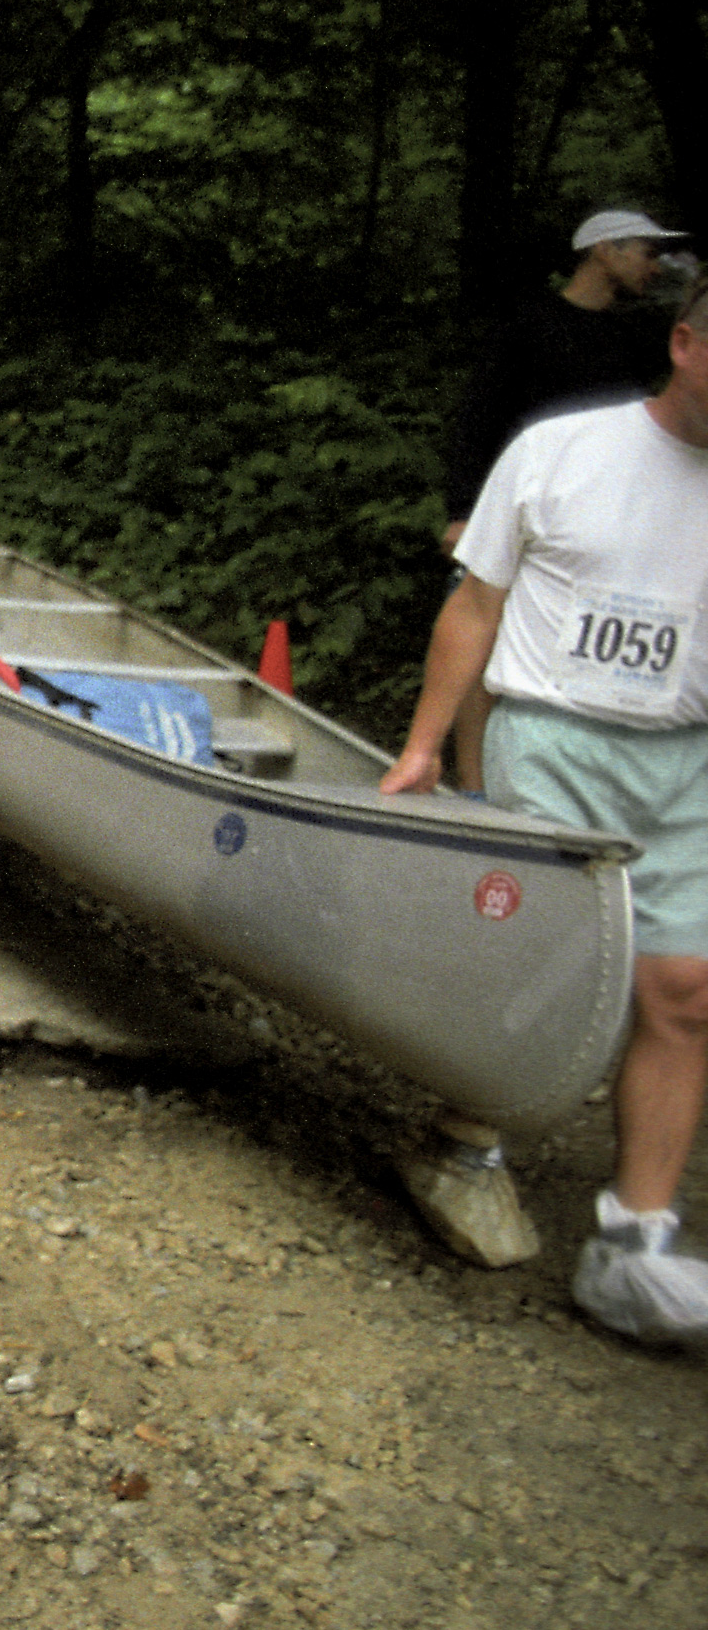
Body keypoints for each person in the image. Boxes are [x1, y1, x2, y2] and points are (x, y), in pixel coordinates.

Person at [379, 291, 708, 1343]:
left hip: (685, 755)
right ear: (686, 343)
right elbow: (476, 605)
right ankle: (464, 1140)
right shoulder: (560, 450)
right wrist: (427, 746)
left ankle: (634, 1241)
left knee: (685, 990)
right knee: (546, 962)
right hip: (554, 734)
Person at [436, 209, 684, 793]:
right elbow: (477, 416)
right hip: (514, 505)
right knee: (481, 634)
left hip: (594, 520)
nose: (655, 266)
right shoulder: (529, 321)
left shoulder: (634, 337)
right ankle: (475, 785)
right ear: (605, 250)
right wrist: (462, 511)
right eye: (647, 252)